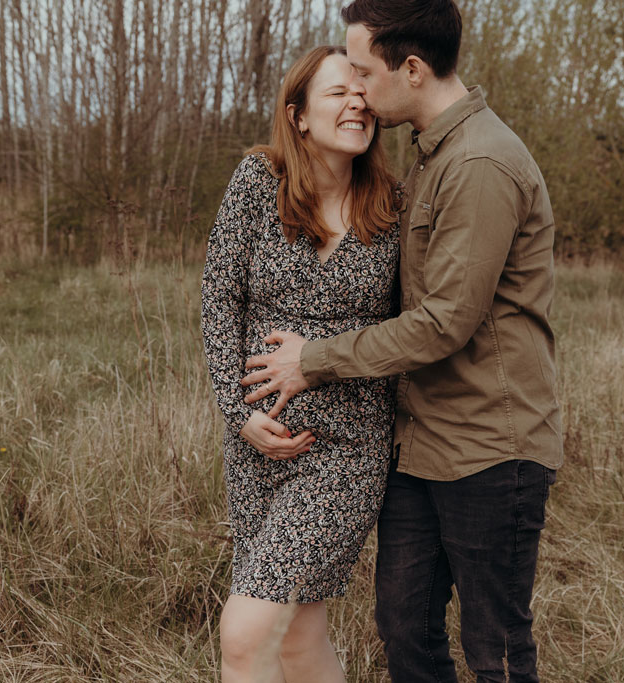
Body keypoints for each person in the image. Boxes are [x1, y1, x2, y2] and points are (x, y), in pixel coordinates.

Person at [240, 1, 564, 681]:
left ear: (410, 68)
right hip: (420, 448)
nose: (356, 86)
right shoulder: (426, 159)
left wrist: (314, 360)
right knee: (407, 632)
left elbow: (445, 320)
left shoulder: (480, 163)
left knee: (495, 646)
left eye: (362, 69)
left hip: (489, 450)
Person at [200, 45, 401, 683]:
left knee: (245, 630)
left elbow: (412, 328)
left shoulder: (395, 207)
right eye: (338, 92)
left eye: (361, 91)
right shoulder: (257, 182)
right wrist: (241, 417)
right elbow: (218, 300)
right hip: (258, 445)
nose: (357, 102)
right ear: (298, 116)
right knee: (295, 635)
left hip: (345, 449)